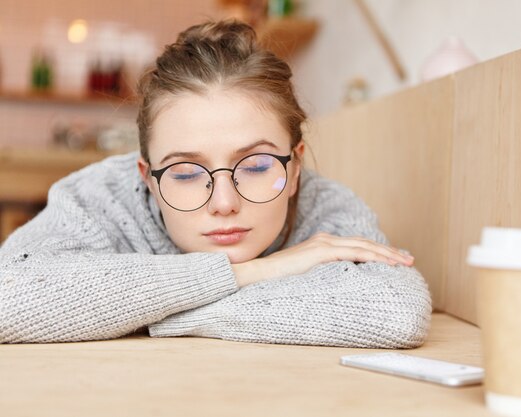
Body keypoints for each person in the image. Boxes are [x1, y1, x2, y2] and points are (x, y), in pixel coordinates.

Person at [0, 20, 431, 346]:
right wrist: (251, 273)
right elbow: (9, 299)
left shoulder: (326, 209)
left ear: (295, 167)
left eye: (257, 166)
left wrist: (156, 315)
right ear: (147, 178)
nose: (224, 203)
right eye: (186, 173)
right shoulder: (97, 197)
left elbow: (395, 311)